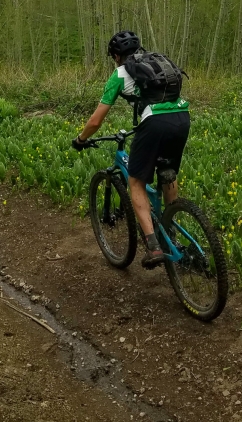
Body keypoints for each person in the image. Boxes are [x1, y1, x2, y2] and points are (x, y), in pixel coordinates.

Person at [71, 31, 190, 268]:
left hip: (154, 124)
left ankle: (154, 247)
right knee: (167, 172)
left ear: (116, 56)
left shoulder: (119, 74)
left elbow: (95, 122)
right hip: (182, 118)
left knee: (136, 183)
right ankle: (172, 230)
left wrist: (81, 139)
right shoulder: (156, 63)